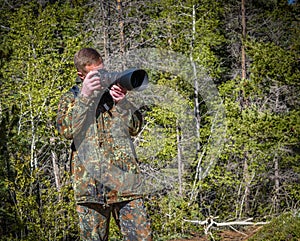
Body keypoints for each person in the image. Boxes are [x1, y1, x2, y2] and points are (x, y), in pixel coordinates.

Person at [56, 47, 152, 241]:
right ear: (81, 75)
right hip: (90, 187)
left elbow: (135, 127)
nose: (100, 77)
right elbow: (66, 131)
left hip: (126, 184)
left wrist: (123, 103)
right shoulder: (71, 99)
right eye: (94, 74)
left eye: (102, 71)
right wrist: (84, 97)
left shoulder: (113, 95)